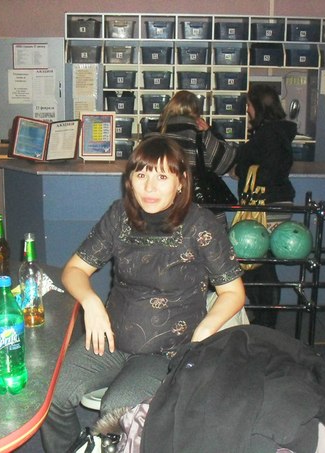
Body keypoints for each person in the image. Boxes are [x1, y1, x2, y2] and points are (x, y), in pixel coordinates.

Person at [40, 135, 245, 452]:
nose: (149, 187)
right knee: (51, 395)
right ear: (130, 179)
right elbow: (74, 270)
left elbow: (233, 291)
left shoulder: (201, 225)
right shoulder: (120, 216)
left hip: (167, 350)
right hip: (111, 338)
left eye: (162, 176)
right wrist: (91, 302)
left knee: (117, 411)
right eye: (142, 174)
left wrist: (204, 331)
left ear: (181, 181)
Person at [233, 83, 297, 328]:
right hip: (278, 204)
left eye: (249, 105)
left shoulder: (267, 135)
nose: (247, 110)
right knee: (260, 264)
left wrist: (244, 168)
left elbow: (262, 170)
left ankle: (266, 320)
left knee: (258, 266)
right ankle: (264, 317)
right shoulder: (279, 132)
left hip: (265, 206)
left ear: (257, 106)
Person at [155, 90, 238, 224]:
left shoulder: (154, 136)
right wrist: (211, 132)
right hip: (200, 209)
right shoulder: (200, 135)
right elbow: (225, 163)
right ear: (196, 111)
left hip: (166, 206)